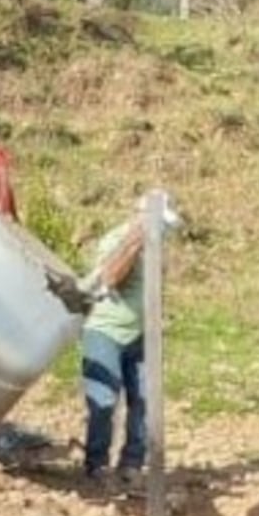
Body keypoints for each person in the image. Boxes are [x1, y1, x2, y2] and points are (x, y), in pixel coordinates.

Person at [81, 194, 181, 482]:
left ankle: (132, 464)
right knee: (104, 398)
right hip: (106, 331)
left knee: (145, 399)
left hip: (141, 334)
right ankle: (97, 464)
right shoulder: (117, 240)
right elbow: (111, 278)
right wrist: (135, 241)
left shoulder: (157, 246)